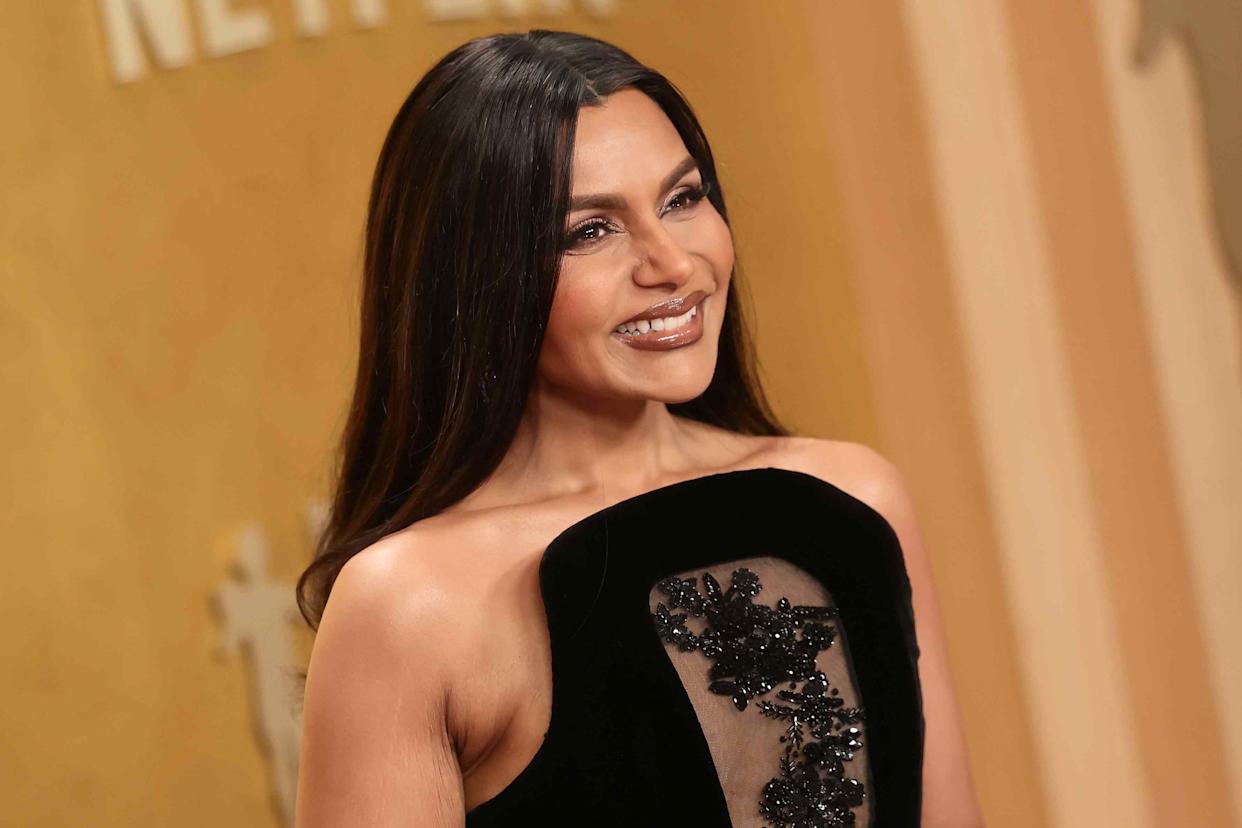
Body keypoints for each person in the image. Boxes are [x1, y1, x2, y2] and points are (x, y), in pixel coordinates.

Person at [293, 29, 983, 827]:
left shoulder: (853, 496)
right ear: (481, 278)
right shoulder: (410, 605)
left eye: (682, 199)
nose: (673, 263)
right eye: (592, 230)